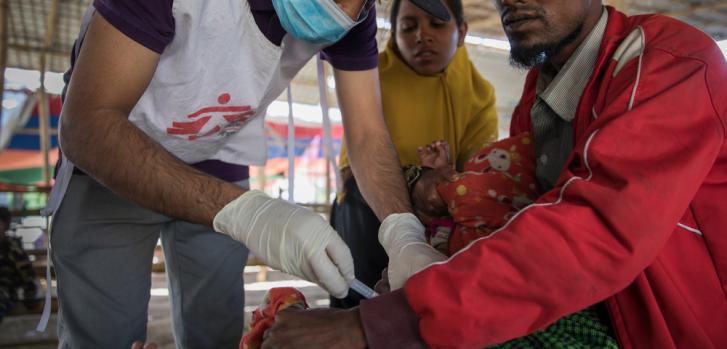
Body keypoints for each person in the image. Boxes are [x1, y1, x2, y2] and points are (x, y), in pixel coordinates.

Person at [260, 0, 727, 348]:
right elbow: (514, 211)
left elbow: (593, 231)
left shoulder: (670, 63)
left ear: (461, 33)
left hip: (669, 329)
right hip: (397, 223)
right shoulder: (540, 95)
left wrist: (381, 322)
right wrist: (425, 259)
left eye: (437, 24)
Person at [48, 0, 419, 347]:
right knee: (104, 333)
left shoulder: (352, 13)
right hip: (113, 162)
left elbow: (368, 131)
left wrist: (403, 231)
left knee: (217, 328)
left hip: (219, 156)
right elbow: (86, 124)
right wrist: (247, 213)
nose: (346, 11)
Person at [331, 0, 498, 308]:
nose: (422, 36)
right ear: (394, 34)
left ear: (461, 32)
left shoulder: (479, 94)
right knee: (360, 305)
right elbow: (351, 169)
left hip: (442, 210)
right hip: (366, 211)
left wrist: (445, 180)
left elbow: (481, 171)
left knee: (426, 308)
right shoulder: (370, 75)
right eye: (408, 28)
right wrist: (415, 180)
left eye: (437, 24)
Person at [0, 207, 39, 323]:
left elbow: (28, 274)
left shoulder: (11, 247)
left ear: (5, 226)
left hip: (4, 291)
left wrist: (30, 297)